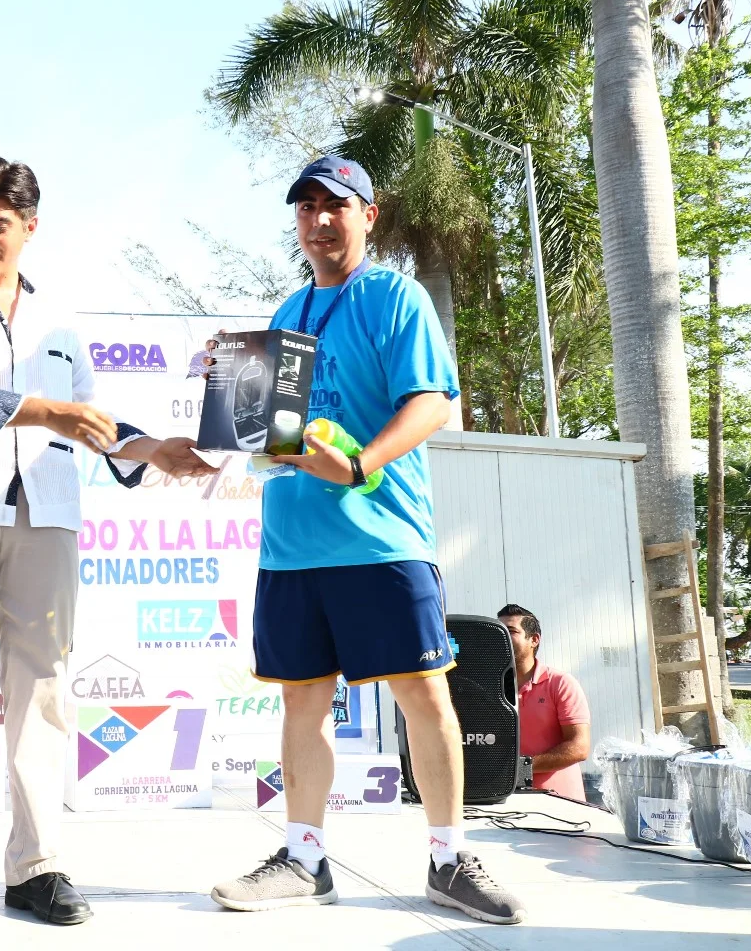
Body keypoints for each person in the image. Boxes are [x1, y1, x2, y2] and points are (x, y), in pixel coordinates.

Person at [0, 157, 216, 926]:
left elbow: (91, 418)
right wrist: (45, 411)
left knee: (43, 690)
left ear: (30, 228)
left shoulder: (59, 319)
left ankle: (35, 865)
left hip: (46, 517)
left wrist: (153, 449)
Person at [209, 156, 525, 925]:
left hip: (383, 539)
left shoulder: (394, 296)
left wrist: (358, 464)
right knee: (303, 702)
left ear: (368, 215)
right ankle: (304, 858)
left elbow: (432, 403)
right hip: (292, 545)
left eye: (337, 205)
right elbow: (268, 439)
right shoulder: (286, 314)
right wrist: (227, 397)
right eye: (306, 206)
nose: (320, 219)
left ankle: (449, 859)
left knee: (424, 692)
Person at [498, 604, 591, 803]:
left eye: (511, 631)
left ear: (534, 639)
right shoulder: (489, 687)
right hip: (505, 802)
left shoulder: (561, 683)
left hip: (559, 803)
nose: (502, 637)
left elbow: (579, 747)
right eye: (499, 631)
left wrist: (520, 768)